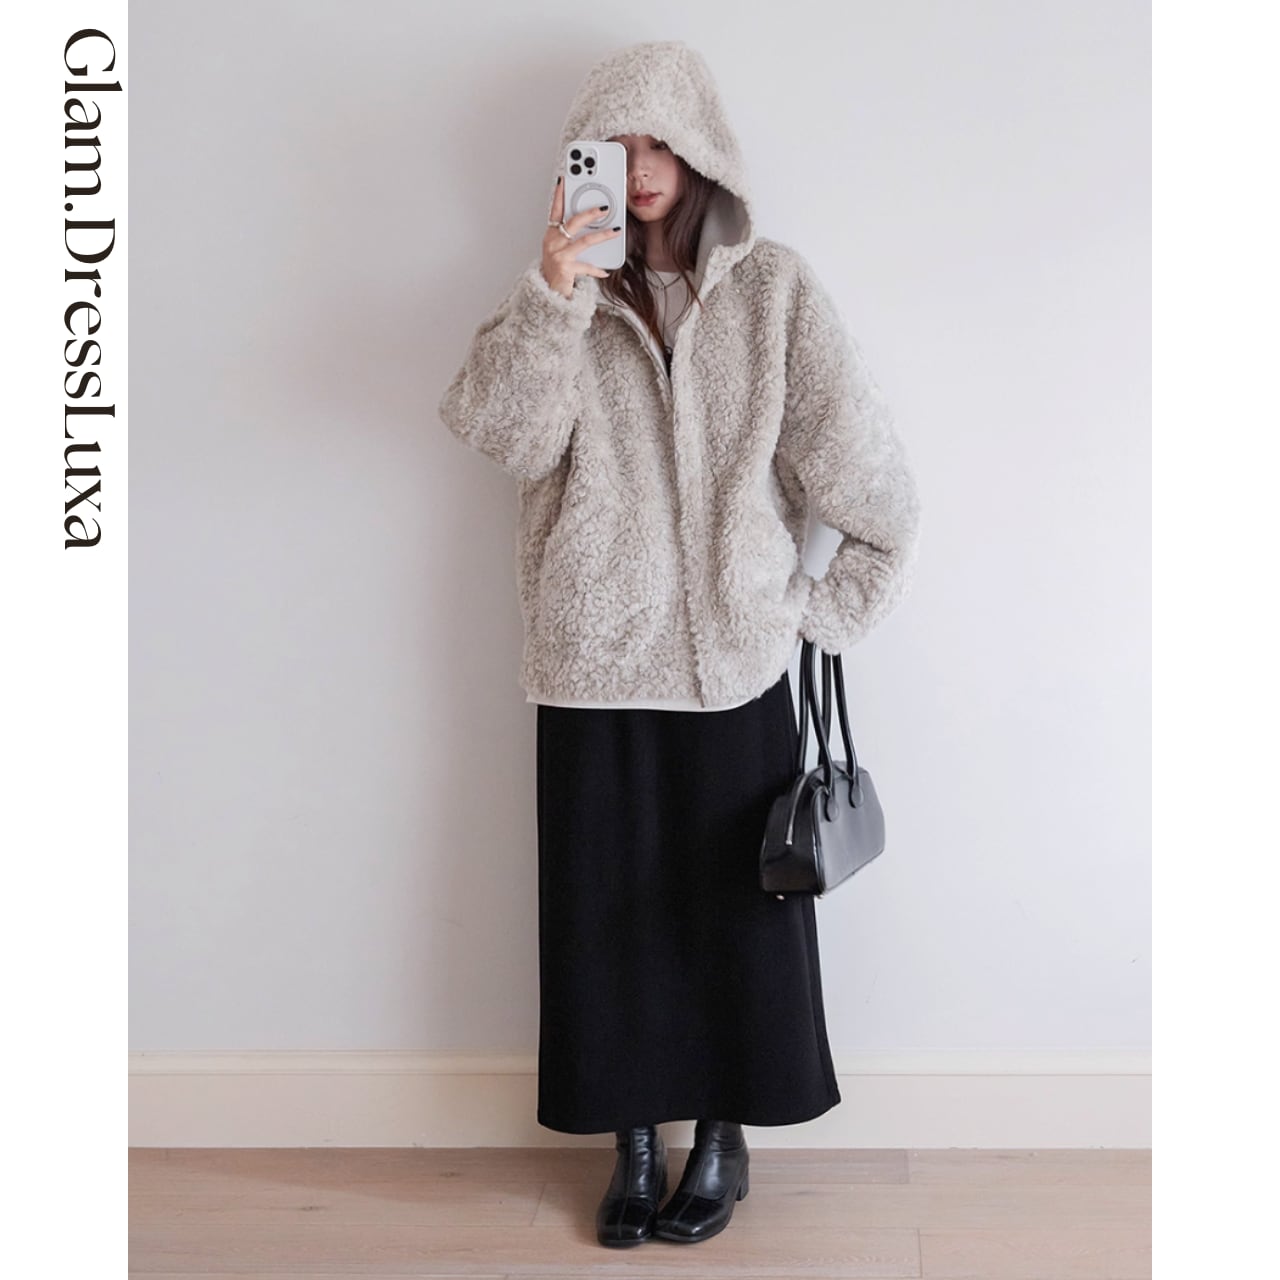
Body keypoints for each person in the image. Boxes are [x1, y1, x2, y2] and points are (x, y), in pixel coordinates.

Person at [438, 40, 921, 1249]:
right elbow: (501, 436)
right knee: (605, 916)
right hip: (591, 659)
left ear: (701, 148)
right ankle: (633, 1141)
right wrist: (552, 292)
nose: (640, 166)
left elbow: (869, 482)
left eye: (658, 141)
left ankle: (719, 1132)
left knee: (731, 915)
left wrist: (814, 610)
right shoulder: (560, 296)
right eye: (614, 145)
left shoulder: (773, 293)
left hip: (731, 667)